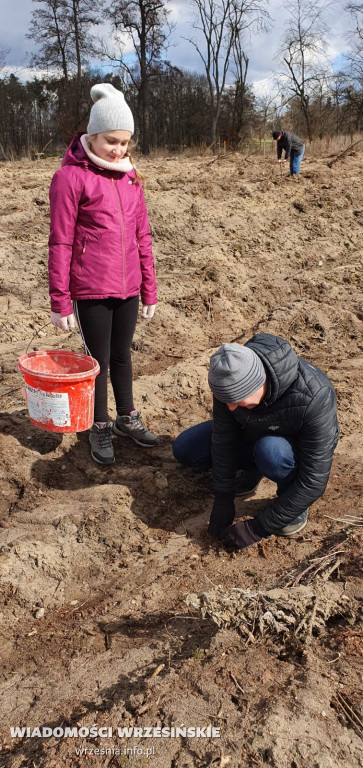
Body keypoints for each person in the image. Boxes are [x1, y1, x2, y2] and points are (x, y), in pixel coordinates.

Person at [48, 83, 159, 465]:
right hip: (91, 288)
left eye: (125, 142)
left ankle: (127, 417)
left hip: (128, 287)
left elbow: (143, 236)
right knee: (98, 361)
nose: (119, 150)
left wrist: (149, 289)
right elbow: (60, 242)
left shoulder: (131, 178)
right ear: (92, 136)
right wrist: (60, 300)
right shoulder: (70, 178)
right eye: (112, 141)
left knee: (122, 355)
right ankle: (99, 425)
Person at [172, 333, 339, 551]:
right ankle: (253, 471)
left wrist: (257, 527)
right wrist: (223, 498)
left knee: (271, 453)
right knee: (186, 449)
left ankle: (292, 503)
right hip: (253, 431)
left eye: (236, 401)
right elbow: (223, 438)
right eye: (226, 401)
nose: (230, 408)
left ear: (257, 384)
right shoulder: (230, 379)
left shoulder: (314, 396)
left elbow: (314, 480)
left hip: (291, 450)